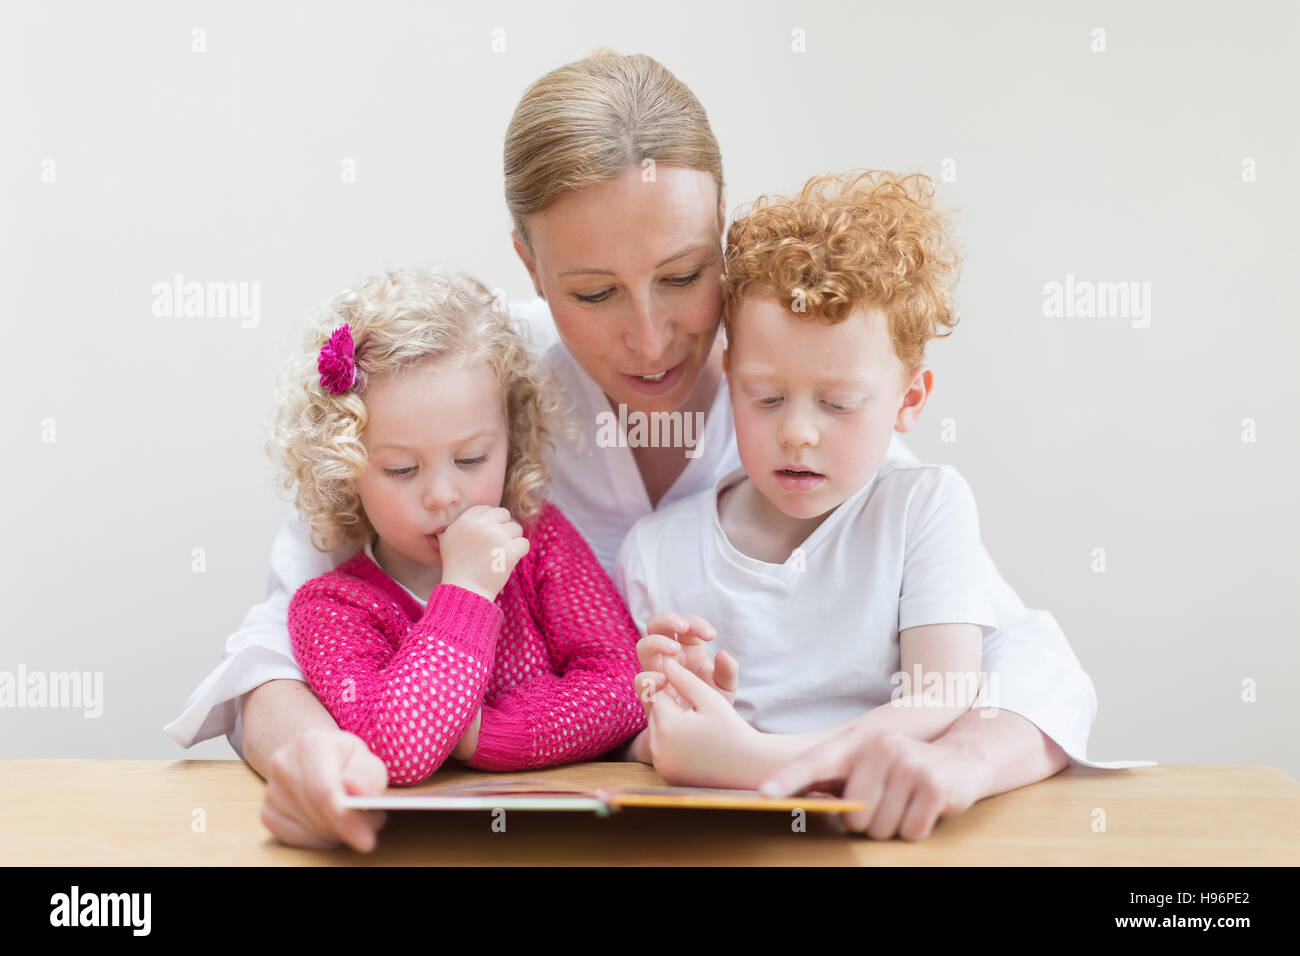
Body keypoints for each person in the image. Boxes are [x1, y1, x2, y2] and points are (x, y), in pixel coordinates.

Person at [165, 51, 1105, 850]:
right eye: (594, 293)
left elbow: (1015, 655)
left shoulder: (798, 395)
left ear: (723, 232)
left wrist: (950, 765)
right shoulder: (473, 391)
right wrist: (307, 757)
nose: (651, 338)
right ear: (529, 265)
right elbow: (277, 638)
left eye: (684, 277)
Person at [618, 168, 999, 790]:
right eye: (765, 397)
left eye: (839, 403)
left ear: (910, 398)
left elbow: (943, 697)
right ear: (729, 374)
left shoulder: (923, 508)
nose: (797, 433)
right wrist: (675, 706)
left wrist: (755, 761)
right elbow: (640, 743)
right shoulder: (656, 552)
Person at [271, 268, 645, 787]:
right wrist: (467, 589)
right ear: (345, 468)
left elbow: (626, 689)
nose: (443, 495)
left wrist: (480, 735)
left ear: (509, 439)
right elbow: (398, 753)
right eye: (402, 469)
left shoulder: (540, 542)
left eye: (470, 459)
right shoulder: (335, 608)